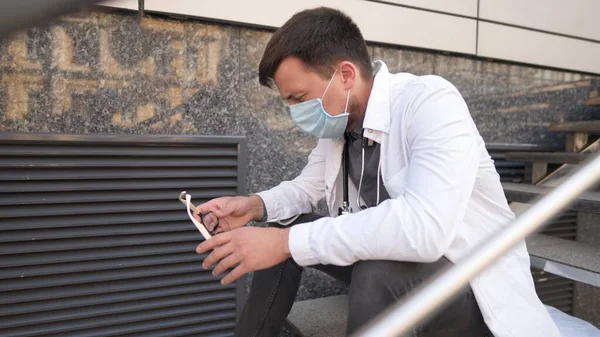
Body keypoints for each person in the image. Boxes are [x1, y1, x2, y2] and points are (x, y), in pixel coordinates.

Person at [194, 7, 560, 337]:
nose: (294, 113)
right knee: (287, 228)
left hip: (472, 291)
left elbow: (424, 229)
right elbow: (305, 189)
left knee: (372, 269)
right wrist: (253, 206)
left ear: (346, 75)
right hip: (395, 275)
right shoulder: (340, 127)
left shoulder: (429, 102)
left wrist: (284, 244)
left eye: (299, 98)